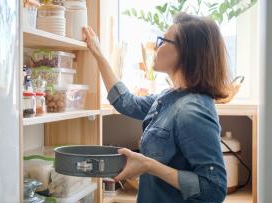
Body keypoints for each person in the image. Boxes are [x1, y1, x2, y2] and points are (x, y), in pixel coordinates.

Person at [83, 12, 229, 203]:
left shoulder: (192, 111)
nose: (155, 47)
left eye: (162, 41)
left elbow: (214, 189)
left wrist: (148, 165)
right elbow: (126, 102)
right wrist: (99, 55)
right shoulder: (169, 97)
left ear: (185, 52)